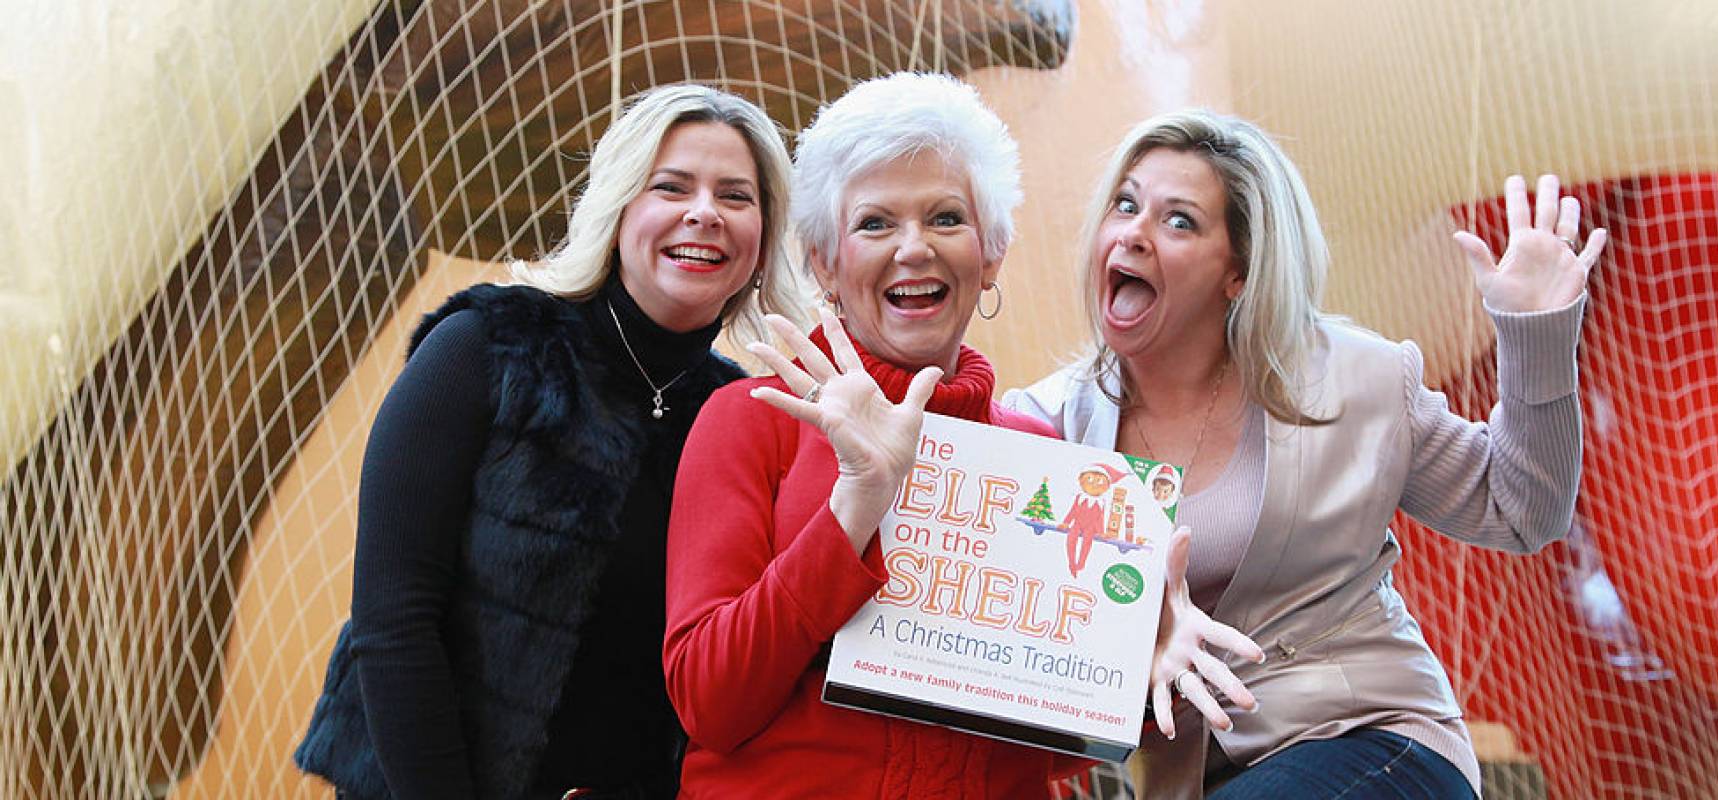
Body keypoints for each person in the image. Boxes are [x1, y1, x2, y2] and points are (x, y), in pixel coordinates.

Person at [1005, 109, 1606, 798]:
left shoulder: (1360, 381)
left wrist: (1535, 337)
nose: (1134, 233)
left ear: (1239, 271)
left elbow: (1523, 509)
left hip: (1375, 736)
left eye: (1179, 221)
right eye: (1126, 203)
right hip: (1200, 779)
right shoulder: (1049, 425)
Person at [293, 84, 804, 800]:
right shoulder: (484, 347)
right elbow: (393, 619)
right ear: (621, 207)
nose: (703, 213)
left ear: (763, 240)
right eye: (672, 186)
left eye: (736, 196)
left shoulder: (739, 415)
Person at [662, 72, 1103, 799]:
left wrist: (1143, 667)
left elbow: (1050, 744)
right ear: (825, 265)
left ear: (991, 254)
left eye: (946, 219)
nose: (914, 249)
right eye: (875, 224)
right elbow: (711, 702)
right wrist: (855, 507)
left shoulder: (1043, 456)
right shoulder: (751, 418)